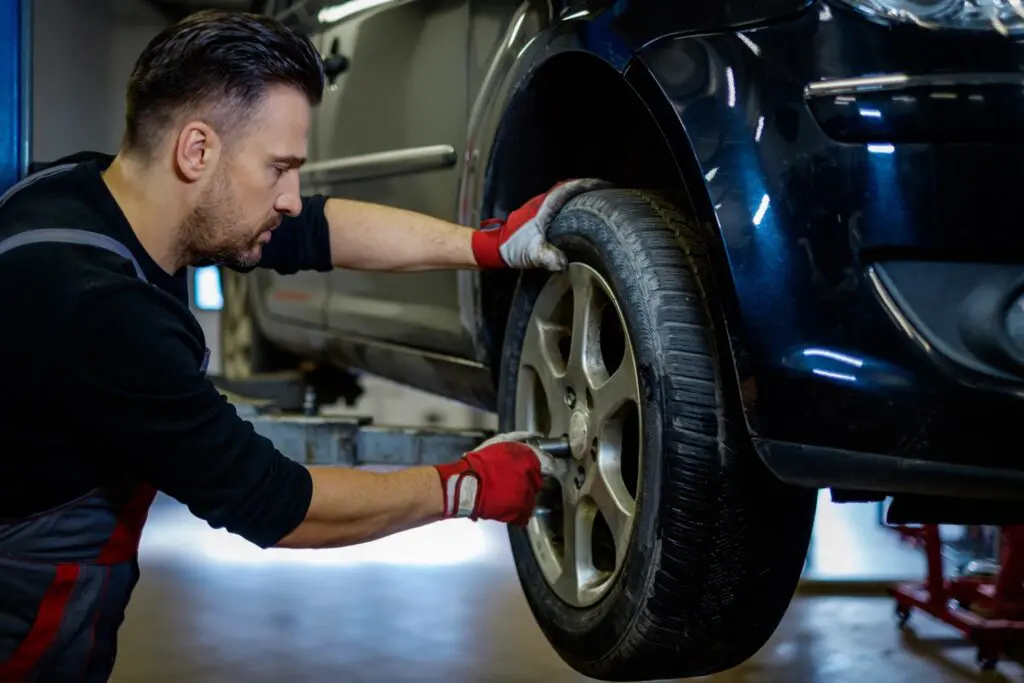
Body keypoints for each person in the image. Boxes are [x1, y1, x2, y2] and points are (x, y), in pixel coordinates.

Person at [0, 10, 607, 682]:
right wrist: (464, 488)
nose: (292, 198)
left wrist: (483, 244)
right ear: (196, 150)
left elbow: (314, 230)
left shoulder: (77, 191)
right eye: (279, 169)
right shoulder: (101, 313)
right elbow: (278, 504)